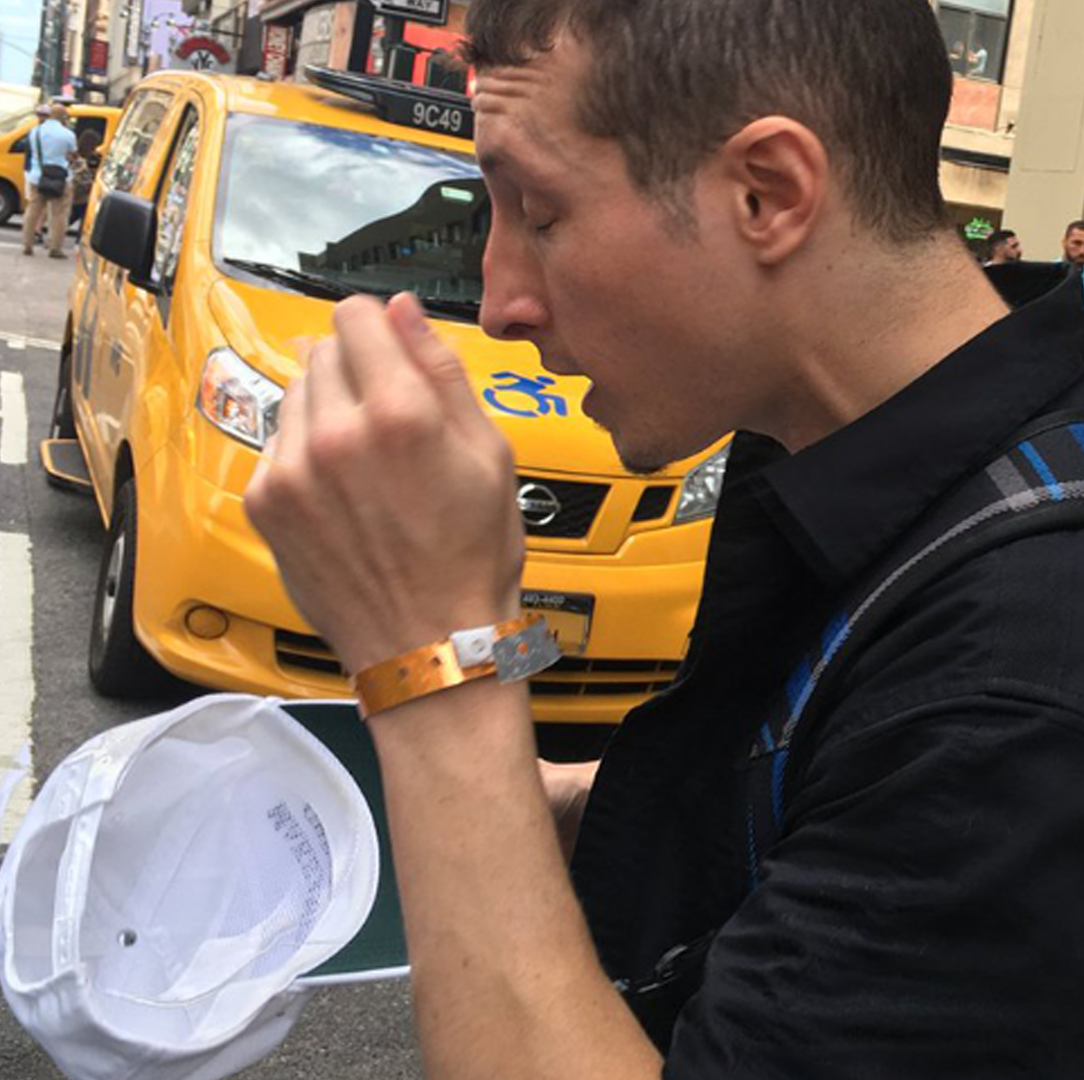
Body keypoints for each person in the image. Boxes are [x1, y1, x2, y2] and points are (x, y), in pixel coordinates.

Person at [244, 0, 1084, 1076]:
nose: (499, 303)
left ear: (766, 193)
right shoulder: (882, 464)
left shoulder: (1015, 681)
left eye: (538, 213)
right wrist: (551, 800)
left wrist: (434, 664)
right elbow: (836, 791)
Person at [21, 102, 77, 259]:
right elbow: (73, 155)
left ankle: (27, 244)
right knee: (59, 214)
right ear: (63, 118)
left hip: (37, 176)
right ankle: (55, 248)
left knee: (33, 210)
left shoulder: (35, 132)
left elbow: (31, 152)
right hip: (61, 178)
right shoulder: (68, 135)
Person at [69, 125, 104, 234]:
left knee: (73, 214)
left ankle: (57, 231)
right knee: (84, 213)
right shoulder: (94, 158)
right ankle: (80, 236)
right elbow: (95, 174)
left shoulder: (74, 155)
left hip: (73, 190)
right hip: (84, 193)